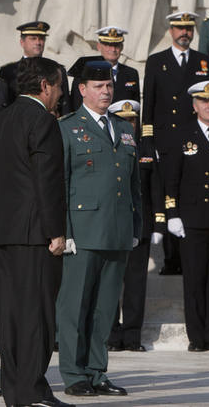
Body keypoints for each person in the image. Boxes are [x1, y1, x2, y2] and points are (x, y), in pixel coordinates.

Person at [0, 57, 71, 407]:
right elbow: (47, 182)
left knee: (12, 315)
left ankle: (17, 391)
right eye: (59, 86)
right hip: (36, 234)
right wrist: (55, 232)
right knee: (38, 315)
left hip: (5, 232)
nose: (61, 94)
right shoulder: (42, 121)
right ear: (45, 86)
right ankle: (30, 389)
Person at [56, 61, 141, 398]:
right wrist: (65, 231)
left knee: (105, 307)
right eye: (98, 86)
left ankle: (96, 370)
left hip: (117, 229)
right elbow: (59, 184)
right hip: (84, 229)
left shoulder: (123, 128)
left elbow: (133, 183)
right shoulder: (67, 128)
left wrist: (136, 224)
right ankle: (73, 373)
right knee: (76, 306)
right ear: (82, 90)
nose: (106, 92)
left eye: (109, 85)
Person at [163, 81, 209, 352]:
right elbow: (171, 179)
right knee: (194, 280)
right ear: (194, 106)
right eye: (204, 101)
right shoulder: (183, 134)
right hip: (191, 219)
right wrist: (172, 213)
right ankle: (196, 337)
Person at [142, 11, 209, 275]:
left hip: (192, 139)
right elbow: (148, 103)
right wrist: (148, 140)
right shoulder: (156, 61)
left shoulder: (202, 61)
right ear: (171, 30)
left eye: (189, 28)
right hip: (166, 141)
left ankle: (189, 257)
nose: (185, 32)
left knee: (190, 194)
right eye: (180, 28)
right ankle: (171, 259)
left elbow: (208, 101)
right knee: (168, 196)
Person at [106, 99, 165, 353]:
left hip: (139, 225)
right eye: (124, 120)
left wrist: (159, 224)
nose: (130, 124)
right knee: (110, 283)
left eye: (133, 120)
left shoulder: (146, 148)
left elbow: (155, 187)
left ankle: (132, 336)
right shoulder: (108, 145)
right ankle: (110, 334)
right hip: (112, 224)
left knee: (135, 284)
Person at [0, 21, 70, 114]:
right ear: (22, 42)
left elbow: (65, 105)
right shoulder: (9, 71)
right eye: (33, 38)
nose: (38, 42)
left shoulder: (58, 70)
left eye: (41, 39)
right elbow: (5, 103)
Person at [67, 27, 140, 111]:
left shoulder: (131, 74)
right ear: (99, 46)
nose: (113, 49)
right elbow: (76, 106)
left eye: (116, 45)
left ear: (122, 47)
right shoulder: (84, 72)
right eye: (108, 45)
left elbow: (136, 109)